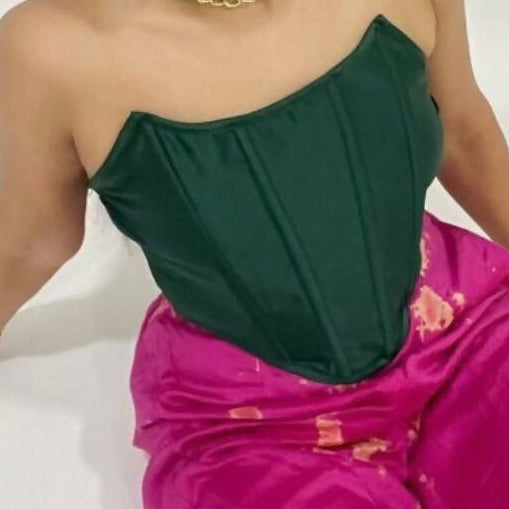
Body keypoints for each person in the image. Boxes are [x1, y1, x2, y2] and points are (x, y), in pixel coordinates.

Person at [1, 0, 509, 507]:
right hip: (246, 420)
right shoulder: (56, 49)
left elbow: (464, 133)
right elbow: (30, 243)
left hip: (465, 330)